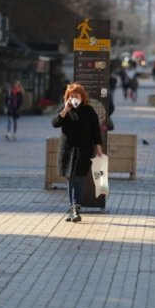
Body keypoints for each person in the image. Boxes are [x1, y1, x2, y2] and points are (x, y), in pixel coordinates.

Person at [51, 83, 103, 223]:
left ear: (82, 96)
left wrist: (98, 146)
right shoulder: (65, 109)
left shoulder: (89, 110)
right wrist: (65, 110)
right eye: (71, 96)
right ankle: (72, 209)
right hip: (67, 150)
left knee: (79, 180)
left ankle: (75, 209)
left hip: (83, 150)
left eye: (76, 96)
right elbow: (55, 123)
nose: (74, 98)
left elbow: (95, 130)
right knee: (70, 180)